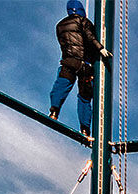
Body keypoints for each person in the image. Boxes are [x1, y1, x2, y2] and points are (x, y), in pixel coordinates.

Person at [47, 0, 110, 139]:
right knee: (84, 97)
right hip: (85, 65)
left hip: (69, 61)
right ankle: (85, 129)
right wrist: (101, 48)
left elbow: (64, 43)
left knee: (61, 86)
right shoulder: (83, 22)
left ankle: (54, 111)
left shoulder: (60, 26)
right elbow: (90, 38)